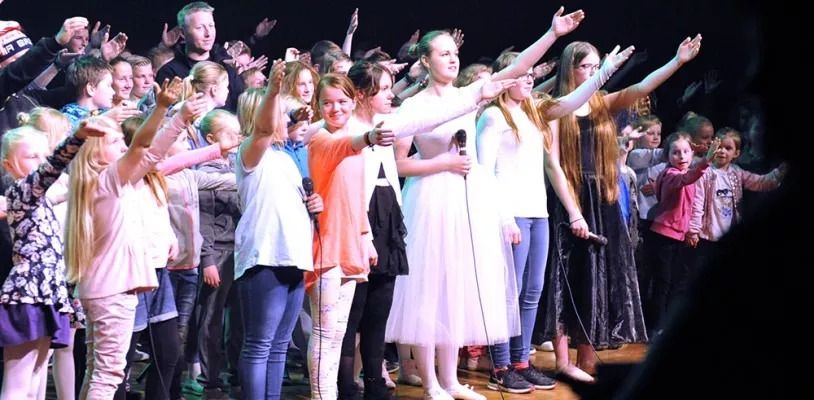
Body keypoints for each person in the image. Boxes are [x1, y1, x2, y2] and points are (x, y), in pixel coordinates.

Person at [386, 7, 586, 399]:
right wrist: (442, 163)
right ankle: (431, 383)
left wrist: (552, 34)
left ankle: (451, 380)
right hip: (430, 199)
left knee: (457, 289)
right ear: (425, 61)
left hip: (467, 198)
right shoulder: (414, 106)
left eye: (454, 53)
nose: (452, 58)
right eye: (443, 53)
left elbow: (515, 69)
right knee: (430, 291)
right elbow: (399, 163)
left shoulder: (467, 95)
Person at [541, 34, 703, 382]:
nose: (593, 72)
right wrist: (573, 211)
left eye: (596, 67)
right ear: (570, 69)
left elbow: (642, 87)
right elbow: (552, 162)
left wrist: (677, 61)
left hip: (603, 196)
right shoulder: (555, 108)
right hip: (571, 194)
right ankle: (562, 359)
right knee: (566, 276)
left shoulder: (602, 103)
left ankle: (587, 356)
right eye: (586, 67)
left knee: (597, 276)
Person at [475, 44, 632, 392]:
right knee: (510, 292)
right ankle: (500, 366)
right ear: (506, 80)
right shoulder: (493, 117)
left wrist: (605, 71)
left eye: (531, 75)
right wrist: (504, 218)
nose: (529, 80)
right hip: (511, 213)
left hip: (538, 212)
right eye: (522, 75)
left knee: (532, 292)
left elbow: (573, 102)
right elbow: (485, 172)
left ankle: (520, 360)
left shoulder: (534, 112)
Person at [63, 78, 191, 398]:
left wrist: (177, 118)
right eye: (116, 141)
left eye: (123, 141)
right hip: (113, 290)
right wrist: (162, 110)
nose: (123, 146)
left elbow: (151, 154)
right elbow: (143, 148)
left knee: (96, 370)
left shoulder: (98, 181)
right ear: (96, 149)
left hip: (100, 288)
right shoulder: (107, 179)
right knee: (108, 376)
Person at [233, 59, 322, 400]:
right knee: (259, 344)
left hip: (293, 256)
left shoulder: (286, 158)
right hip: (265, 257)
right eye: (282, 114)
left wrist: (314, 206)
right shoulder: (250, 153)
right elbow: (263, 131)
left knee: (280, 345)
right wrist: (272, 90)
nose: (288, 120)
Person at [305, 71, 396, 400]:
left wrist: (365, 235)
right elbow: (345, 145)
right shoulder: (320, 139)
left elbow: (357, 197)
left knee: (339, 332)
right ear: (317, 106)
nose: (335, 109)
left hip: (349, 245)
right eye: (327, 103)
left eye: (342, 101)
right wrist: (369, 136)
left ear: (353, 101)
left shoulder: (353, 142)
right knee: (324, 332)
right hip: (326, 244)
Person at [0, 121, 104, 400]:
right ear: (9, 165)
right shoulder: (22, 192)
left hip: (48, 291)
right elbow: (53, 167)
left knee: (35, 376)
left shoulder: (40, 199)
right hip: (28, 292)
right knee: (18, 383)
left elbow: (72, 187)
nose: (39, 162)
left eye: (42, 155)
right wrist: (78, 136)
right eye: (30, 156)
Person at [647, 132, 719, 331]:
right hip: (664, 235)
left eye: (686, 152)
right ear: (668, 156)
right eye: (676, 152)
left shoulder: (688, 171)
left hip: (678, 236)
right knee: (663, 283)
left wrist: (691, 231)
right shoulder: (671, 175)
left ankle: (669, 325)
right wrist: (706, 161)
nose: (682, 156)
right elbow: (687, 178)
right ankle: (657, 327)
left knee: (676, 283)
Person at [687, 127, 786, 270]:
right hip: (708, 236)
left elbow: (760, 182)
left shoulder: (737, 173)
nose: (722, 151)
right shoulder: (705, 173)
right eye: (719, 147)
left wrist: (779, 173)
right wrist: (693, 230)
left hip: (728, 235)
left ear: (736, 153)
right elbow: (697, 202)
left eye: (728, 148)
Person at [155, 1, 245, 112]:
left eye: (211, 26)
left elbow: (242, 107)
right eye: (199, 28)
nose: (208, 34)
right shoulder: (169, 72)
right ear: (182, 33)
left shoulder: (225, 65)